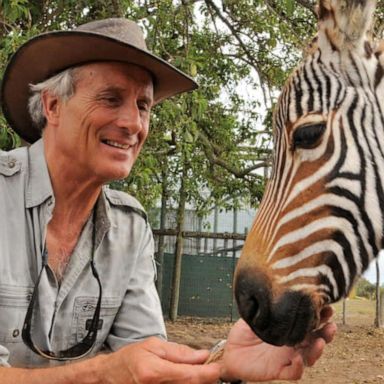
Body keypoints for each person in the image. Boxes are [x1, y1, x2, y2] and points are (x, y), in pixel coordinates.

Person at [0, 18, 336, 383]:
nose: (133, 123)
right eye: (111, 99)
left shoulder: (129, 227)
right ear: (52, 106)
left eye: (143, 105)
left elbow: (145, 366)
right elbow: (119, 372)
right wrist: (103, 373)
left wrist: (223, 360)